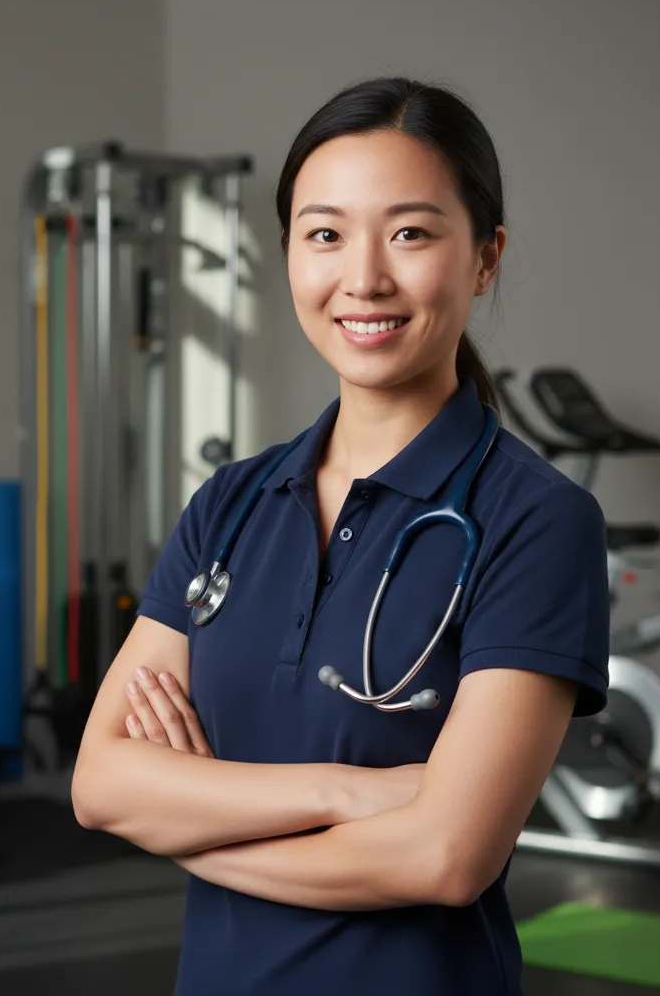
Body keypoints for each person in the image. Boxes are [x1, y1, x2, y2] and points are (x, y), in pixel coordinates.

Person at [70, 76, 610, 996]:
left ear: (485, 257)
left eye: (410, 232)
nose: (363, 278)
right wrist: (348, 794)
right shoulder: (231, 505)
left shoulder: (538, 521)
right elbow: (102, 786)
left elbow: (445, 856)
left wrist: (196, 834)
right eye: (325, 234)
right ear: (288, 254)